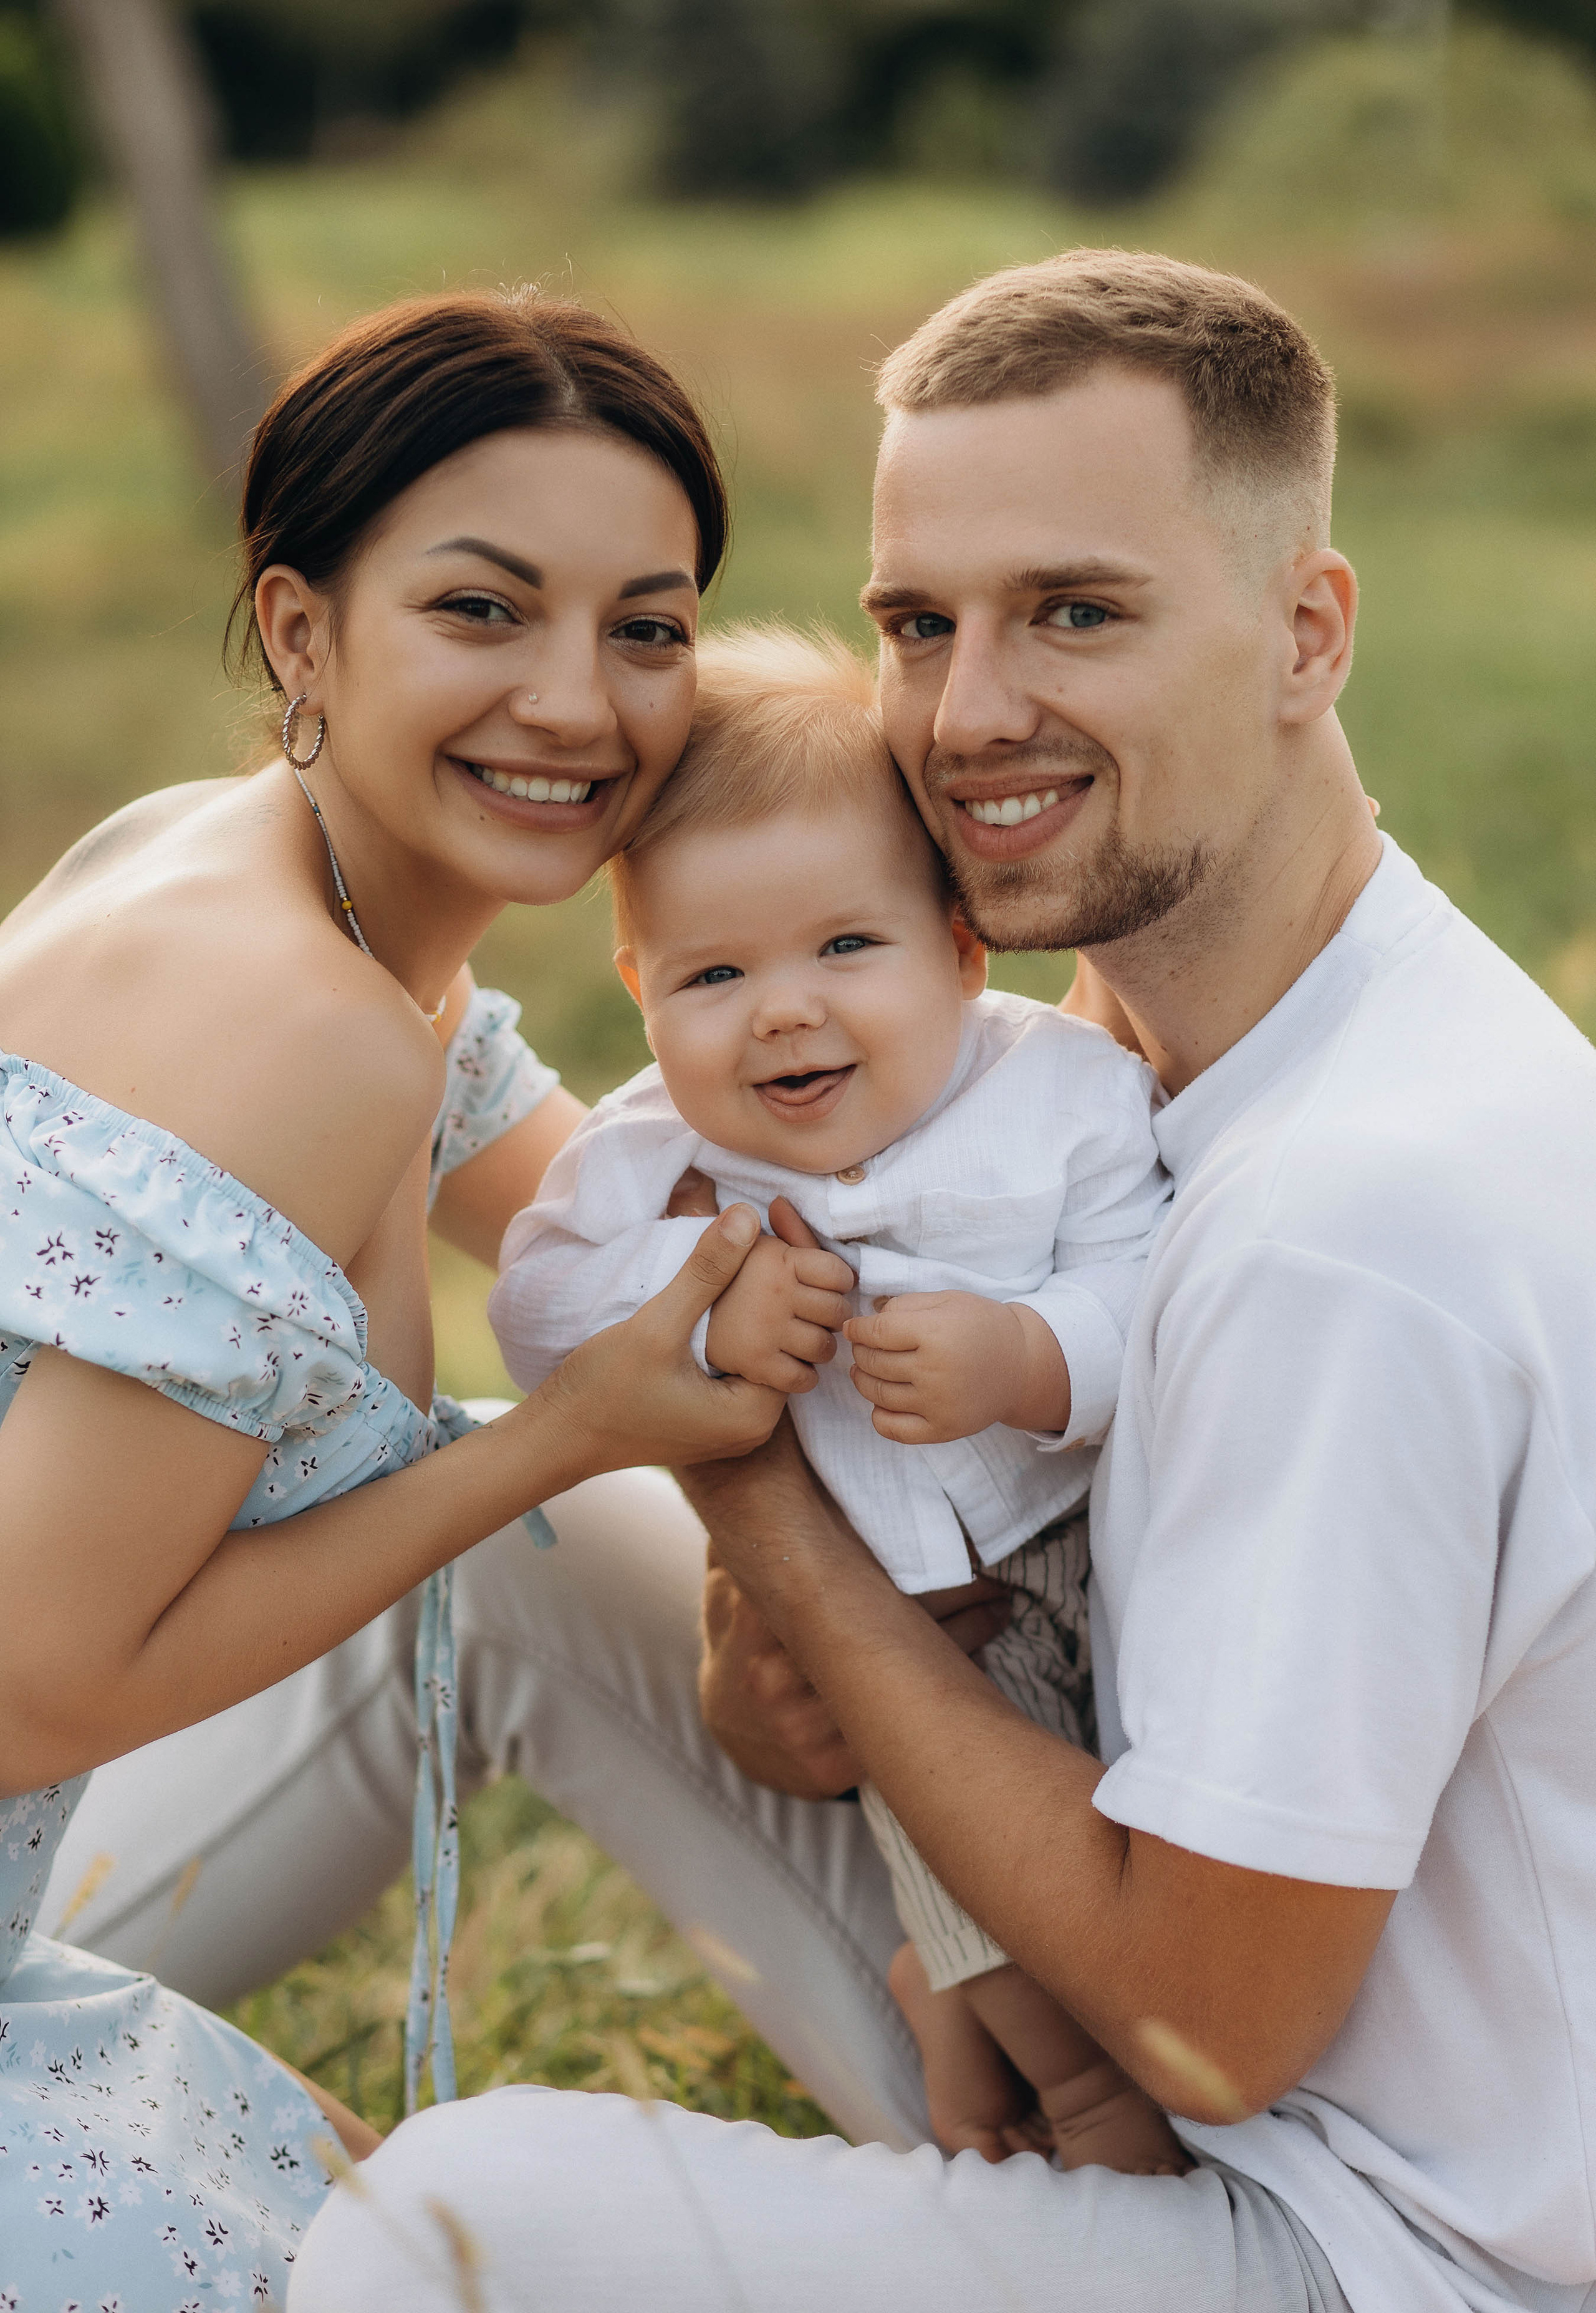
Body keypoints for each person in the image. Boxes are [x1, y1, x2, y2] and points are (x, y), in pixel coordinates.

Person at [287, 252, 1596, 2313]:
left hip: (1382, 2231)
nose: (968, 714)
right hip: (1124, 1949)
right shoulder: (1131, 1042)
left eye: (1075, 611)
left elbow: (1213, 2030)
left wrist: (763, 1514)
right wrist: (780, 1679)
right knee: (490, 1534)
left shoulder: (1353, 1223)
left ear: (1308, 632)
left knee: (441, 2233)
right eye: (919, 622)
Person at [0, 284, 791, 2302]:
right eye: (481, 610)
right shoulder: (300, 1020)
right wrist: (562, 1441)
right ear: (300, 630)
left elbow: (640, 1231)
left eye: (648, 628)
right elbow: (30, 1684)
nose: (578, 703)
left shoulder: (287, 894)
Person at [489, 622, 1182, 2174]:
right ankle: (1070, 2119)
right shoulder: (655, 1155)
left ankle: (987, 2004)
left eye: (844, 947)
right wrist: (691, 1296)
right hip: (909, 1645)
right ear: (639, 988)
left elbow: (1150, 1281)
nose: (781, 1010)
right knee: (1050, 1996)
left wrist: (1028, 1355)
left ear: (960, 946)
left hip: (1110, 1557)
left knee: (1145, 1895)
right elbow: (531, 1307)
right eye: (713, 973)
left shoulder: (1057, 1097)